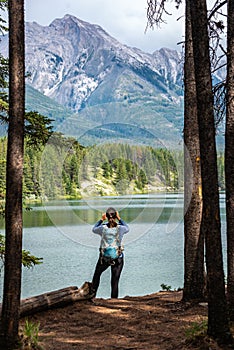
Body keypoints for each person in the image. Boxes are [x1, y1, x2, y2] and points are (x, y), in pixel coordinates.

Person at [91, 207, 129, 298]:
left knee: (97, 275)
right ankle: (114, 301)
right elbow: (127, 228)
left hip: (104, 258)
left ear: (106, 217)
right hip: (118, 257)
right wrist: (119, 219)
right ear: (116, 216)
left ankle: (92, 296)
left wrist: (101, 220)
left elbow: (94, 229)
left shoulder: (102, 228)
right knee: (115, 281)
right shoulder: (121, 228)